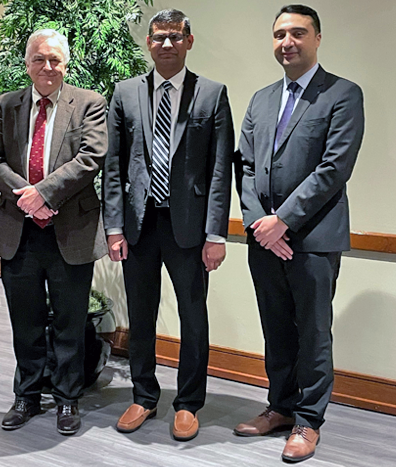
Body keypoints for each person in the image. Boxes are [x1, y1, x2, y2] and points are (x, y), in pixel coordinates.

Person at [233, 5, 364, 462]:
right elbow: (245, 166)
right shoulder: (261, 99)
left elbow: (333, 168)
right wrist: (258, 223)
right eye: (279, 34)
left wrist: (282, 222)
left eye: (297, 33)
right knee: (276, 330)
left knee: (312, 332)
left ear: (317, 38)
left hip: (313, 240)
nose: (287, 41)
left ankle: (309, 421)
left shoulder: (343, 94)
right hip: (263, 239)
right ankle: (281, 407)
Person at [103, 9, 234, 441]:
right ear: (148, 42)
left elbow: (219, 171)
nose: (166, 44)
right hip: (139, 226)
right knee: (140, 316)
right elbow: (113, 165)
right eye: (158, 37)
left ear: (189, 41)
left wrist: (217, 234)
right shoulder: (124, 93)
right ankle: (143, 395)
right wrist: (114, 227)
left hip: (190, 229)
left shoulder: (212, 94)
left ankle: (188, 403)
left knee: (193, 316)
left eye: (175, 36)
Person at [0, 29, 108, 436]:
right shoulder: (6, 105)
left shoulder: (89, 103)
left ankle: (67, 398)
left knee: (70, 321)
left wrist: (43, 193)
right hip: (18, 231)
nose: (47, 66)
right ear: (27, 64)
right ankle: (27, 395)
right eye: (39, 59)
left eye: (55, 59)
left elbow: (91, 156)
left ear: (66, 64)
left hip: (69, 229)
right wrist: (27, 198)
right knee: (26, 319)